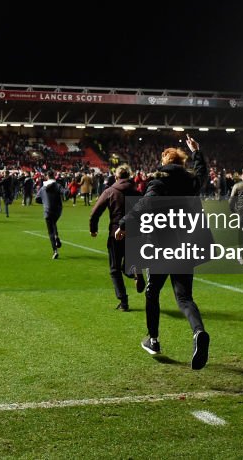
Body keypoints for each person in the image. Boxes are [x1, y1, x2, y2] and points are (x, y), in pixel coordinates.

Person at [119, 134, 211, 369]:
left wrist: (124, 225)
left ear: (164, 162)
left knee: (152, 292)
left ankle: (154, 339)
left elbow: (144, 206)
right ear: (181, 163)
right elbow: (202, 175)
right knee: (184, 297)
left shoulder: (158, 183)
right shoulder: (190, 182)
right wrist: (197, 151)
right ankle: (198, 331)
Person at [89, 164, 141, 310]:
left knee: (115, 269)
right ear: (129, 176)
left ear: (116, 177)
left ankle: (123, 301)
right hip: (135, 232)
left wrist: (93, 229)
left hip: (116, 233)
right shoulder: (137, 192)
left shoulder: (110, 191)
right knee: (127, 265)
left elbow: (95, 212)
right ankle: (136, 273)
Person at [36, 170, 63, 258]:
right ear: (54, 176)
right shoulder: (57, 185)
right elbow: (64, 192)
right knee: (54, 222)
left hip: (47, 210)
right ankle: (56, 236)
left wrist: (44, 202)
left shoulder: (43, 188)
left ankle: (55, 251)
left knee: (50, 230)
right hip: (57, 210)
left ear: (47, 176)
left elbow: (37, 199)